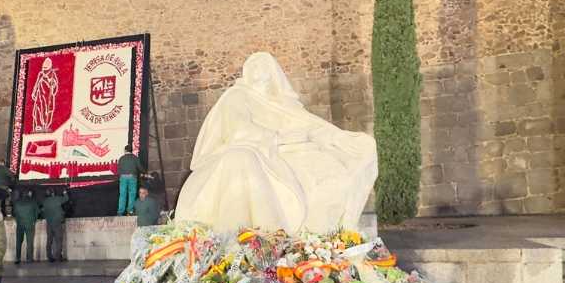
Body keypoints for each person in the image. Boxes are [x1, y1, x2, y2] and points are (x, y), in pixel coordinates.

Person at [174, 52, 378, 233]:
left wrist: (335, 137)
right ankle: (267, 233)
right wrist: (278, 138)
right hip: (259, 149)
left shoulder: (284, 103)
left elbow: (309, 125)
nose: (258, 68)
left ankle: (324, 235)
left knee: (333, 170)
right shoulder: (237, 96)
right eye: (253, 64)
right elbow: (239, 129)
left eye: (263, 64)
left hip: (292, 151)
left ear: (273, 73)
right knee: (241, 159)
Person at [12, 188, 39, 265]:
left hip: (20, 224)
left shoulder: (17, 202)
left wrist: (18, 220)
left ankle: (18, 258)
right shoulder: (33, 202)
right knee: (29, 242)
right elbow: (37, 212)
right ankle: (29, 259)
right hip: (29, 224)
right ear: (28, 194)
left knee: (18, 242)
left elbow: (14, 213)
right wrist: (34, 220)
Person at [41, 187, 68, 263]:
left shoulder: (45, 201)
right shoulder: (57, 199)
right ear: (53, 193)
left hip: (49, 223)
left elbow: (42, 211)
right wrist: (65, 192)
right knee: (58, 240)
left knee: (49, 241)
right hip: (57, 223)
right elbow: (66, 198)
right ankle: (58, 257)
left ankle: (49, 257)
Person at [116, 145, 143, 216]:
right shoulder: (135, 158)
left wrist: (122, 174)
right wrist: (143, 172)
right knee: (132, 194)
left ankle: (120, 212)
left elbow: (118, 170)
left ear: (125, 150)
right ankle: (130, 211)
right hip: (132, 177)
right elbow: (140, 168)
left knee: (122, 195)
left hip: (123, 177)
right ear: (132, 150)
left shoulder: (121, 158)